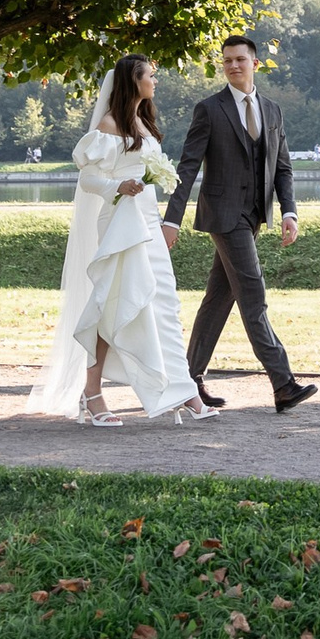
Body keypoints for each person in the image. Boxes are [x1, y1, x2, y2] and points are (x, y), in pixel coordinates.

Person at [26, 55, 214, 427]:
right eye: (151, 76)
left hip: (147, 221)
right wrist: (119, 186)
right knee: (113, 304)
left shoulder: (143, 123)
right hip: (120, 224)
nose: (155, 82)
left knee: (162, 303)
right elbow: (89, 180)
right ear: (134, 80)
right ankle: (91, 393)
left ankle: (183, 389)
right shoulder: (109, 126)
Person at [162, 34, 318, 414]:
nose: (233, 65)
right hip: (223, 216)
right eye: (227, 60)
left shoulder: (272, 109)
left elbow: (283, 167)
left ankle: (188, 380)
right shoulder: (209, 109)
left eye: (240, 59)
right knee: (254, 297)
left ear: (255, 63)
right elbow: (187, 166)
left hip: (253, 217)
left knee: (218, 299)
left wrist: (289, 212)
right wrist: (171, 219)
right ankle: (283, 384)